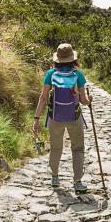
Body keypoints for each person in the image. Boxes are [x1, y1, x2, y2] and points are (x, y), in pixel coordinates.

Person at [32, 43, 92, 193]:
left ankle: (55, 177)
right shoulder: (78, 74)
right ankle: (77, 182)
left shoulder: (50, 74)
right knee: (77, 149)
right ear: (72, 59)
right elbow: (83, 101)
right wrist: (89, 100)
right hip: (74, 117)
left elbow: (44, 97)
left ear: (57, 59)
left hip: (55, 117)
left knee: (56, 148)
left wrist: (36, 118)